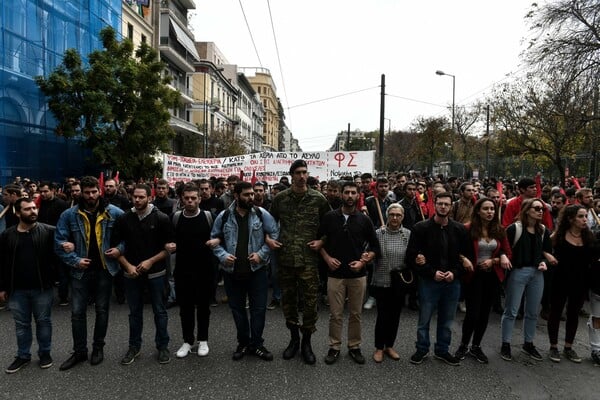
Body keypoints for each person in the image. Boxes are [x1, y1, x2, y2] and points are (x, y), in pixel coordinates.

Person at [54, 176, 124, 370]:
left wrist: (119, 250)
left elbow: (128, 238)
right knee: (77, 313)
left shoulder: (115, 213)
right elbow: (59, 243)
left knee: (102, 310)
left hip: (105, 269)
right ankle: (79, 351)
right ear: (80, 193)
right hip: (80, 271)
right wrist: (75, 260)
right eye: (87, 192)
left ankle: (98, 348)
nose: (91, 196)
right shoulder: (69, 215)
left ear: (99, 191)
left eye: (94, 192)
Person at [269, 159, 330, 364]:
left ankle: (307, 342)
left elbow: (331, 226)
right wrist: (269, 239)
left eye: (305, 172)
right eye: (298, 172)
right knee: (289, 302)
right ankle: (294, 339)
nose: (302, 176)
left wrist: (322, 241)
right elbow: (269, 223)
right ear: (292, 175)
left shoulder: (318, 199)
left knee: (311, 303)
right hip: (286, 258)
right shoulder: (281, 199)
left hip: (309, 260)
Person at [210, 181, 279, 361]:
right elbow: (214, 239)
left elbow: (274, 235)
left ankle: (257, 344)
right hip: (232, 272)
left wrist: (262, 255)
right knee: (238, 310)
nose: (251, 197)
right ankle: (243, 343)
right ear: (236, 196)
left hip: (257, 271)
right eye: (247, 194)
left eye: (252, 194)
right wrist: (223, 255)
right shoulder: (224, 216)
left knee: (258, 310)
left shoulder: (261, 214)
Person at [406, 192, 473, 366]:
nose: (443, 207)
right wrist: (431, 272)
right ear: (434, 205)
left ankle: (442, 350)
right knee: (424, 319)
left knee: (447, 320)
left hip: (452, 282)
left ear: (451, 207)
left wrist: (455, 273)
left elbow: (466, 256)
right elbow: (412, 256)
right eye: (440, 204)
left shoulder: (459, 230)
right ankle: (422, 349)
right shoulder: (421, 228)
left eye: (447, 204)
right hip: (429, 281)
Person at [112, 184, 175, 365]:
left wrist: (150, 261)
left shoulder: (162, 218)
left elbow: (168, 248)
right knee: (134, 313)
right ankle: (134, 347)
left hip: (156, 273)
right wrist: (127, 266)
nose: (137, 200)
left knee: (160, 311)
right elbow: (116, 248)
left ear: (150, 197)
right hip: (131, 274)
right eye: (135, 197)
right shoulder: (124, 218)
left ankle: (162, 346)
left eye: (141, 197)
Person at [318, 181, 379, 365]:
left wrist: (363, 261)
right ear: (341, 195)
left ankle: (354, 346)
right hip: (335, 275)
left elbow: (375, 247)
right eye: (346, 192)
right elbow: (319, 242)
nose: (350, 196)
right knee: (335, 314)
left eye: (353, 192)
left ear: (358, 195)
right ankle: (334, 347)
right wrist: (327, 258)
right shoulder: (329, 217)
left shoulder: (364, 219)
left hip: (357, 276)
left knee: (355, 314)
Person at [0, 198, 57, 373]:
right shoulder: (8, 235)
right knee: (21, 325)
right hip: (17, 289)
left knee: (43, 322)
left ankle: (45, 353)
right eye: (27, 209)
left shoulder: (49, 232)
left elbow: (59, 255)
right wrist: (2, 287)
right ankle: (23, 355)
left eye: (34, 208)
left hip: (42, 288)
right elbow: (2, 263)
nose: (33, 211)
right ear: (17, 213)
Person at [454, 198, 512, 364]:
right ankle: (464, 345)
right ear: (478, 211)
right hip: (473, 276)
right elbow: (456, 250)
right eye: (486, 209)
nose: (490, 212)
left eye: (492, 209)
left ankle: (476, 346)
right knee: (472, 313)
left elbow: (508, 252)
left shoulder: (499, 230)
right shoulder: (467, 229)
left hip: (492, 276)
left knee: (484, 314)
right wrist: (464, 258)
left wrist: (494, 260)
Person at [500, 198, 557, 361]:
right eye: (537, 208)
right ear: (527, 210)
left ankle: (528, 343)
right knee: (511, 310)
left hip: (537, 274)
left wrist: (544, 263)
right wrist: (504, 257)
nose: (541, 211)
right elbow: (503, 248)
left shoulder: (543, 230)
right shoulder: (514, 229)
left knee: (532, 312)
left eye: (543, 209)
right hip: (518, 272)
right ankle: (506, 343)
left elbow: (547, 251)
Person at [167, 183, 215, 359]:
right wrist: (169, 244)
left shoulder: (209, 216)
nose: (190, 201)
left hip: (205, 270)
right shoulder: (176, 217)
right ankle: (187, 341)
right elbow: (169, 238)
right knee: (185, 308)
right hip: (183, 270)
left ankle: (203, 340)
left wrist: (216, 241)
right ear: (181, 199)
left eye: (193, 198)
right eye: (186, 198)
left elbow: (219, 236)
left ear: (199, 199)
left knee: (203, 307)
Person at [547, 205, 596, 363]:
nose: (584, 219)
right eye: (581, 216)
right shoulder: (558, 236)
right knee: (556, 312)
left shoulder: (589, 238)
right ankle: (553, 347)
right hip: (560, 280)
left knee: (573, 314)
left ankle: (568, 347)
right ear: (570, 219)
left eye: (585, 216)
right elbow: (545, 249)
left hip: (580, 282)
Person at [371, 204, 411, 363]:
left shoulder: (408, 234)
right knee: (382, 316)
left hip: (399, 282)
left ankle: (390, 346)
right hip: (382, 280)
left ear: (402, 217)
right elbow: (370, 252)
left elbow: (412, 255)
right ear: (387, 216)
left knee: (395, 316)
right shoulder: (378, 233)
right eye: (392, 214)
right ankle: (379, 348)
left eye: (398, 215)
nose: (395, 218)